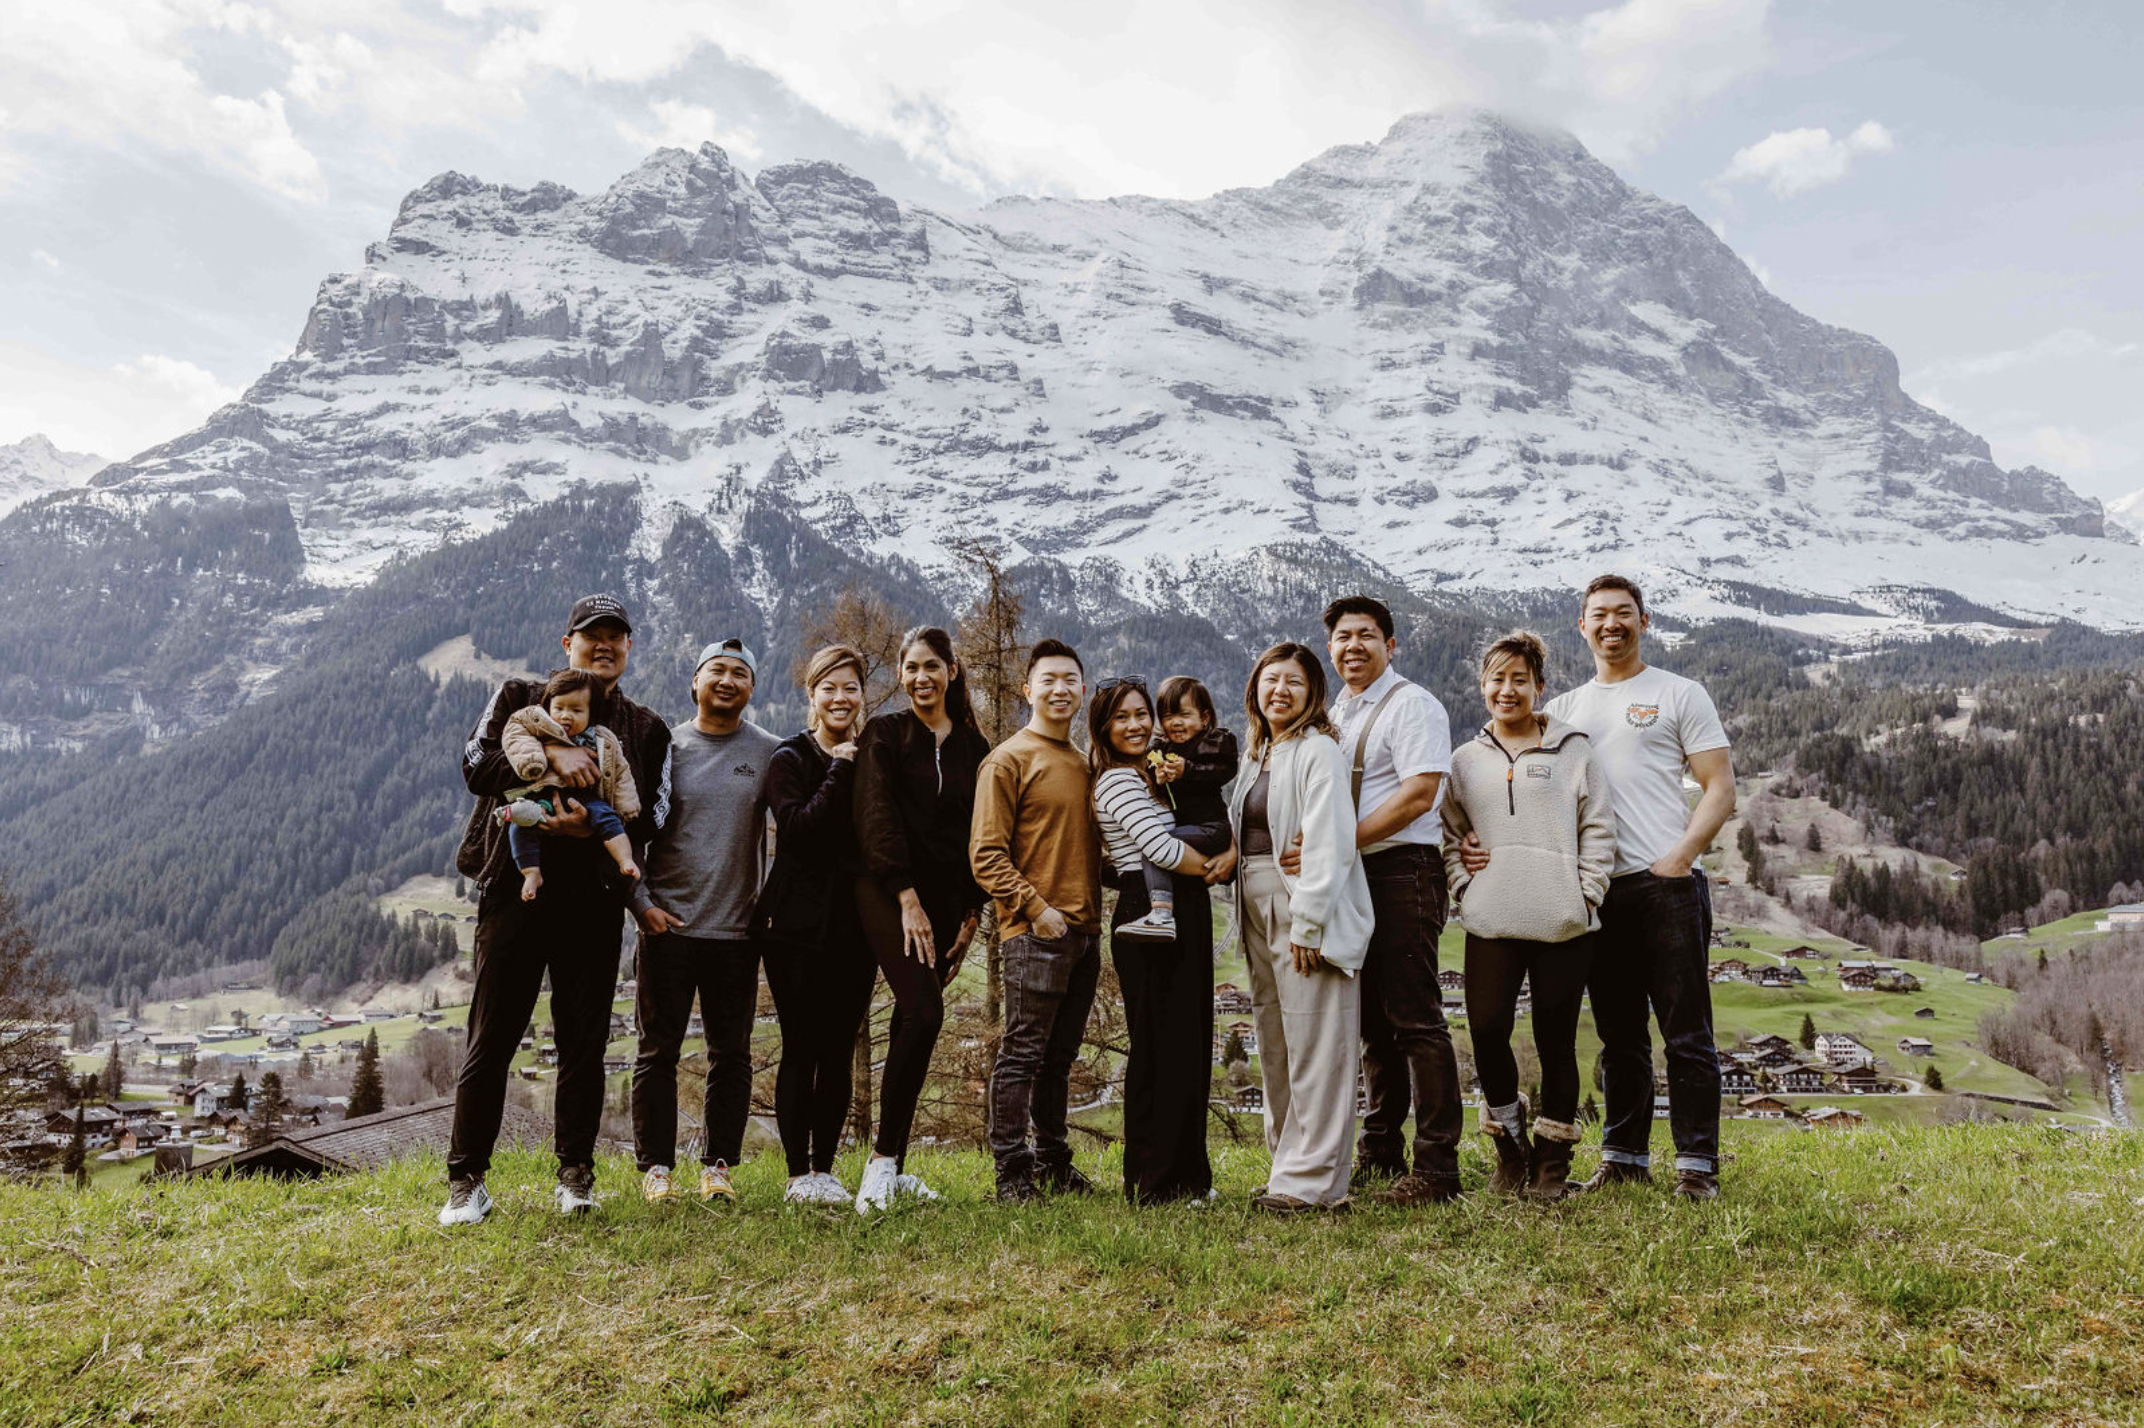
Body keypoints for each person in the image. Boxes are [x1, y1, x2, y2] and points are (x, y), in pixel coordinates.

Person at [1461, 575, 1735, 1198]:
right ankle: (1623, 1158)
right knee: (1619, 1036)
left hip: (1664, 885)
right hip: (1594, 894)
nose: (1611, 624)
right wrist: (1480, 845)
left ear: (1643, 621)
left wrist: (1681, 858)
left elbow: (1720, 788)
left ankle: (1697, 1167)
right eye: (1598, 615)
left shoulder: (1678, 693)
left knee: (1686, 1034)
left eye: (1623, 613)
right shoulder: (1565, 712)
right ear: (1581, 627)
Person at [442, 593, 673, 1225]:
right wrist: (554, 758)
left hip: (596, 902)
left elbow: (654, 813)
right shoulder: (520, 697)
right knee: (491, 1039)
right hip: (514, 891)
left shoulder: (646, 727)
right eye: (590, 635)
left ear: (628, 648)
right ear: (565, 644)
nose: (604, 645)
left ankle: (575, 1176)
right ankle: (466, 1182)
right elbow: (474, 763)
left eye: (616, 637)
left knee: (584, 1045)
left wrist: (590, 825)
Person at [1440, 631, 1615, 1201]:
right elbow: (1449, 834)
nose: (1507, 689)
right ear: (1482, 686)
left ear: (1540, 687)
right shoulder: (1463, 762)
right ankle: (1509, 1151)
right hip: (1491, 919)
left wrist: (1586, 893)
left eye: (1520, 679)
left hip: (1564, 920)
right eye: (1496, 678)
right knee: (1488, 1031)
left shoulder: (1574, 751)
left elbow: (1598, 826)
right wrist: (1464, 886)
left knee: (1555, 1041)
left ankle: (1551, 1166)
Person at [1316, 595, 1464, 1206]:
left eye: (1367, 636)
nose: (1354, 646)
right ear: (1331, 648)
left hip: (1402, 871)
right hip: (1357, 873)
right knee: (1374, 1025)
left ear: (1391, 645)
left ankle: (1436, 1169)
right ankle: (1381, 1150)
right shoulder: (1338, 711)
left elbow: (1420, 793)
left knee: (1416, 1021)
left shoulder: (1412, 705)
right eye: (1343, 637)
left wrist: (1337, 844)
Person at [629, 638, 780, 1206]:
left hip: (737, 932)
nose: (727, 679)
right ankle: (657, 1169)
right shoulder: (663, 747)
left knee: (731, 1053)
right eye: (716, 669)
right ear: (694, 682)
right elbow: (629, 824)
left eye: (740, 673)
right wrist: (640, 902)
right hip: (667, 925)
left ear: (752, 688)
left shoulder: (769, 751)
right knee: (656, 1052)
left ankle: (718, 1166)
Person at [1229, 643, 1375, 1214]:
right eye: (1270, 680)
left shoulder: (1319, 752)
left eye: (1293, 681)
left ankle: (1315, 1184)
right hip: (1256, 911)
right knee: (1277, 1045)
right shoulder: (1257, 756)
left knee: (1318, 1047)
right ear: (1255, 690)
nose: (1280, 691)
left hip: (1304, 913)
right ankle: (1285, 1168)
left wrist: (1308, 925)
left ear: (1312, 692)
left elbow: (1333, 843)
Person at [851, 626, 990, 1213]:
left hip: (944, 901)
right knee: (925, 1010)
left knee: (913, 1022)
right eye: (910, 668)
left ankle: (897, 1166)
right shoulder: (885, 733)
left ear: (952, 671)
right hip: (884, 890)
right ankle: (881, 1165)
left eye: (931, 666)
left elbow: (978, 835)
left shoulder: (975, 748)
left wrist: (972, 911)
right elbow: (874, 813)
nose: (920, 678)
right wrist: (906, 895)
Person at [1089, 674, 1234, 1204]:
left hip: (1182, 907)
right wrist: (1219, 866)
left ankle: (1190, 1178)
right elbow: (1160, 849)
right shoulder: (1116, 781)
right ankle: (1154, 1183)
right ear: (1104, 728)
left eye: (1141, 715)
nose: (1136, 725)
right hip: (1147, 912)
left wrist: (1228, 855)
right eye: (1122, 717)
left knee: (1189, 1045)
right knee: (1160, 1048)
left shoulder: (1150, 774)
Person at [971, 639, 1106, 1202]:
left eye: (1070, 679)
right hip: (1035, 933)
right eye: (1048, 679)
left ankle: (1054, 1161)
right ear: (1028, 690)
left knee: (1060, 1059)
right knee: (1023, 1054)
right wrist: (1037, 911)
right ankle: (1011, 1172)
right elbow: (985, 854)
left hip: (1085, 935)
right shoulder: (1008, 759)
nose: (1059, 689)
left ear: (1081, 689)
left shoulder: (1083, 764)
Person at [754, 645, 878, 1207]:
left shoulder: (872, 758)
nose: (840, 698)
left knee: (837, 1047)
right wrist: (842, 767)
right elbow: (799, 830)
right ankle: (796, 1173)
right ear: (812, 695)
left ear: (862, 695)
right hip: (793, 926)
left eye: (849, 687)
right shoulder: (790, 758)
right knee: (801, 1045)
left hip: (855, 927)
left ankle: (825, 1170)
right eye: (828, 687)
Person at [496, 668, 642, 900]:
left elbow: (620, 771)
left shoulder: (603, 739)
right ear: (548, 706)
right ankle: (531, 872)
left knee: (608, 818)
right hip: (538, 794)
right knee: (520, 825)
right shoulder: (536, 722)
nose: (566, 716)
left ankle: (624, 858)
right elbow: (515, 735)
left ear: (590, 714)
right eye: (559, 708)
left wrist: (627, 806)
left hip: (583, 797)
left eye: (576, 710)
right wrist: (533, 758)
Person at [1115, 676, 1239, 943]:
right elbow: (1150, 775)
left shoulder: (1213, 742)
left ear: (1205, 718)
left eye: (1184, 714)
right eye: (1168, 716)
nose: (1176, 723)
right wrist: (1158, 778)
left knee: (1154, 848)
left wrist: (1188, 770)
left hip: (1212, 828)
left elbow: (1224, 770)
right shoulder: (1161, 749)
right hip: (1192, 831)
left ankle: (1160, 912)